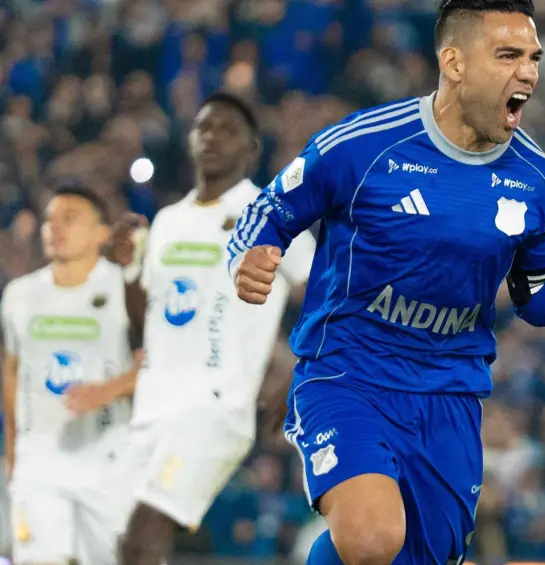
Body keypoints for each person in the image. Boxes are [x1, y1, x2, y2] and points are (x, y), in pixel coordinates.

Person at [227, 0, 545, 563]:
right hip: (347, 376)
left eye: (533, 57)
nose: (527, 72)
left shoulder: (539, 183)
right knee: (370, 536)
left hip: (449, 396)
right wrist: (257, 252)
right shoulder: (363, 146)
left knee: (416, 555)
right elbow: (272, 209)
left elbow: (541, 295)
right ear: (453, 62)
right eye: (507, 55)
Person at [108, 92, 315, 565]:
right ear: (189, 140)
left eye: (227, 129)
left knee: (146, 529)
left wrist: (300, 368)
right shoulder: (166, 221)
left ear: (252, 149)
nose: (212, 137)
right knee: (119, 545)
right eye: (204, 127)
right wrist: (126, 272)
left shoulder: (270, 213)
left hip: (216, 405)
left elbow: (324, 292)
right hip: (152, 407)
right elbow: (147, 324)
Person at [1, 184, 137, 565]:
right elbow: (11, 374)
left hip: (109, 456)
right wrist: (13, 452)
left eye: (70, 219)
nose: (54, 228)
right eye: (49, 220)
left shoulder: (125, 289)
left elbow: (159, 361)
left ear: (101, 233)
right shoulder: (19, 294)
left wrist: (109, 390)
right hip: (39, 460)